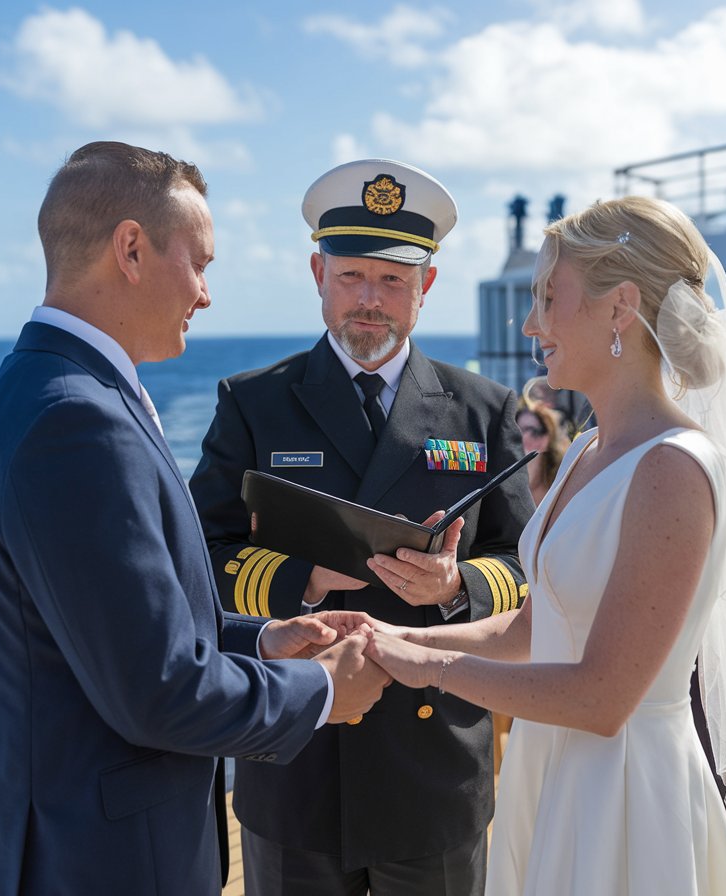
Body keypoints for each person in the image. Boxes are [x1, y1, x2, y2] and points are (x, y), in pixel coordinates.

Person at [364, 196, 726, 895]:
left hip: (623, 787)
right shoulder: (591, 447)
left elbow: (602, 696)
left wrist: (429, 666)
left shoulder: (672, 467)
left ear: (621, 307)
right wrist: (389, 634)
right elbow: (535, 627)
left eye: (548, 298)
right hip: (552, 762)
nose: (532, 325)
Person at [0, 141, 389, 896]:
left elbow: (121, 627)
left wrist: (264, 639)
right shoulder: (74, 421)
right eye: (202, 263)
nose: (208, 294)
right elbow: (156, 690)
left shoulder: (44, 388)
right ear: (131, 249)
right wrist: (321, 693)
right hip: (96, 864)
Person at [189, 158, 533, 896]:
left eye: (392, 280)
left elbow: (524, 563)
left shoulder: (484, 411)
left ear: (426, 287)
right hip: (296, 752)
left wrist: (457, 583)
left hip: (433, 758)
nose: (369, 302)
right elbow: (197, 555)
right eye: (352, 277)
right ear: (318, 272)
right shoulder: (254, 404)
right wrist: (301, 579)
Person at [516, 403, 569, 505]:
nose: (521, 436)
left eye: (531, 430)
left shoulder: (563, 484)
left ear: (546, 438)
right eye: (516, 429)